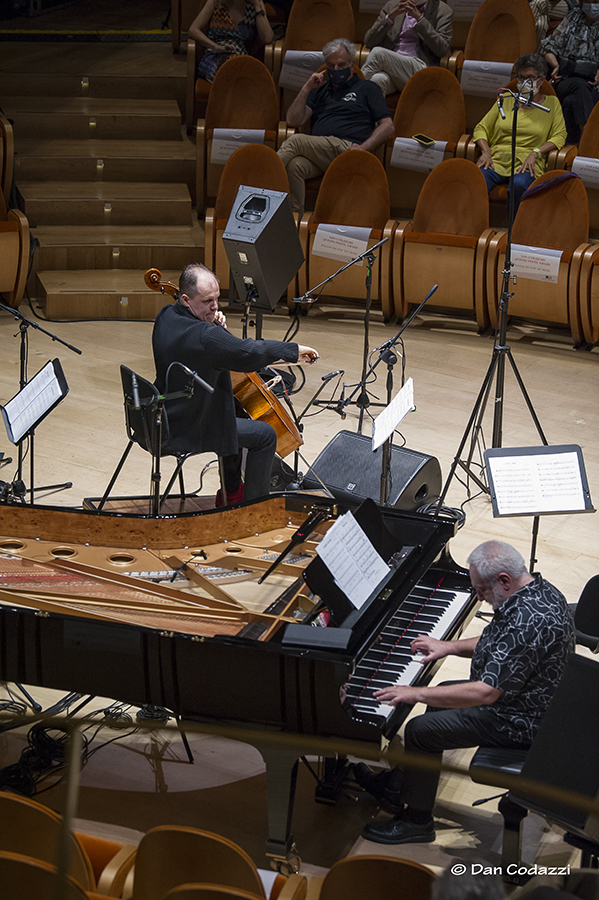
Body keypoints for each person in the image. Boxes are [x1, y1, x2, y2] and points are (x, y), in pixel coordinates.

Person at [355, 540, 575, 845]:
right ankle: (397, 787)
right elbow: (498, 640)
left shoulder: (528, 622)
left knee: (420, 729)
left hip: (525, 721)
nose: (480, 599)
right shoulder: (538, 590)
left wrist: (414, 692)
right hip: (531, 703)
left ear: (504, 580)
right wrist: (448, 646)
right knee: (444, 693)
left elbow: (485, 693)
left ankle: (416, 822)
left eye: (482, 591)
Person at [152, 263, 318, 506]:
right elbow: (247, 351)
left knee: (230, 408)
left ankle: (231, 493)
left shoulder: (166, 314)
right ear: (186, 299)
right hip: (188, 427)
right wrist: (293, 350)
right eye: (207, 301)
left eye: (217, 299)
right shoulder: (205, 335)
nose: (215, 306)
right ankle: (252, 510)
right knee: (264, 435)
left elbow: (205, 349)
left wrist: (210, 323)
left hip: (161, 416)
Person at [277, 38, 394, 216]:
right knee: (295, 166)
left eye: (341, 65)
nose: (336, 70)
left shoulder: (368, 88)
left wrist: (363, 149)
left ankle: (261, 185)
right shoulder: (319, 89)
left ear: (352, 66)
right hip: (321, 152)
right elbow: (293, 120)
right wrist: (307, 88)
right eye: (331, 66)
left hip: (348, 148)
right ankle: (294, 222)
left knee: (294, 142)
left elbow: (387, 126)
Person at [472, 53, 566, 212]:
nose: (524, 82)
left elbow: (560, 135)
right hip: (496, 159)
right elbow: (481, 128)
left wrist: (536, 153)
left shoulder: (552, 103)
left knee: (519, 185)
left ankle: (514, 233)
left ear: (541, 80)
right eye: (520, 77)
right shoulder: (506, 99)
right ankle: (476, 230)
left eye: (530, 77)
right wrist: (486, 151)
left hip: (527, 162)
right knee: (475, 180)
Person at [360, 0, 453, 96]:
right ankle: (367, 110)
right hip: (392, 67)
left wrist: (420, 19)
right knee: (377, 80)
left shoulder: (442, 11)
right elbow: (369, 41)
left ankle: (351, 97)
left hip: (420, 68)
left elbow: (442, 49)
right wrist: (390, 17)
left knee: (378, 53)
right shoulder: (393, 5)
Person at [541, 0, 599, 144]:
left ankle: (571, 145)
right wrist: (554, 64)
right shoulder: (573, 17)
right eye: (588, 1)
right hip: (565, 79)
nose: (592, 5)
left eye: (596, 1)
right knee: (579, 86)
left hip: (593, 84)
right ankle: (588, 140)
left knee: (570, 102)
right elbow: (548, 48)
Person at [189, 0, 274, 83]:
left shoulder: (256, 4)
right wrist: (215, 46)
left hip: (241, 56)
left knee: (240, 68)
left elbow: (267, 38)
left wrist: (258, 6)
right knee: (236, 72)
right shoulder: (216, 2)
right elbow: (193, 30)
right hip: (215, 55)